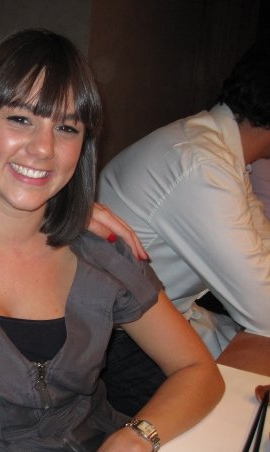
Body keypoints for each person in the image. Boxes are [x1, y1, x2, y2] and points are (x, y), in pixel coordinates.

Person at [0, 28, 223, 451]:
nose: (44, 148)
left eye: (67, 127)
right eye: (20, 119)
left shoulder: (100, 249)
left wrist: (139, 437)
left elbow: (197, 368)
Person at [97, 40, 270, 415]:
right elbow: (263, 309)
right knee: (237, 417)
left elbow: (262, 248)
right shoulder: (202, 164)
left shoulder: (216, 149)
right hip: (118, 343)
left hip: (162, 322)